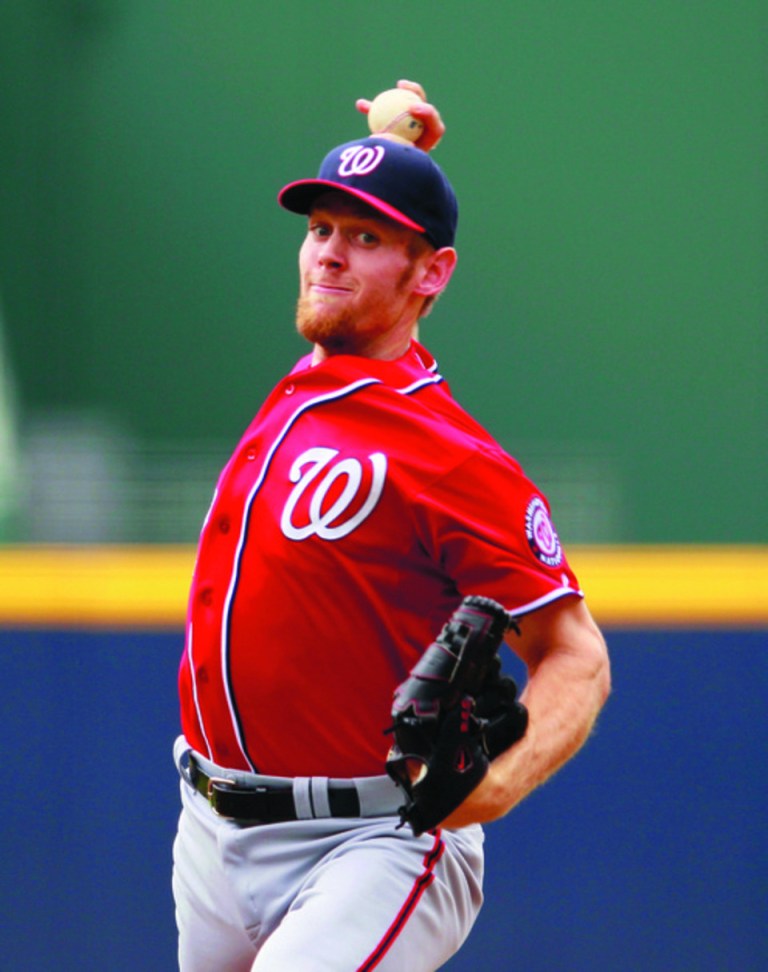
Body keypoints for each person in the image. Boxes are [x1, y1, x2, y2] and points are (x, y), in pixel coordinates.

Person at [172, 80, 611, 972]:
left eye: (365, 238)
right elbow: (362, 266)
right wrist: (389, 144)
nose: (328, 255)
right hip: (210, 831)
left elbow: (579, 654)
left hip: (375, 840)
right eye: (320, 229)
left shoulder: (453, 456)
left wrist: (497, 783)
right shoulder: (316, 380)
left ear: (432, 273)